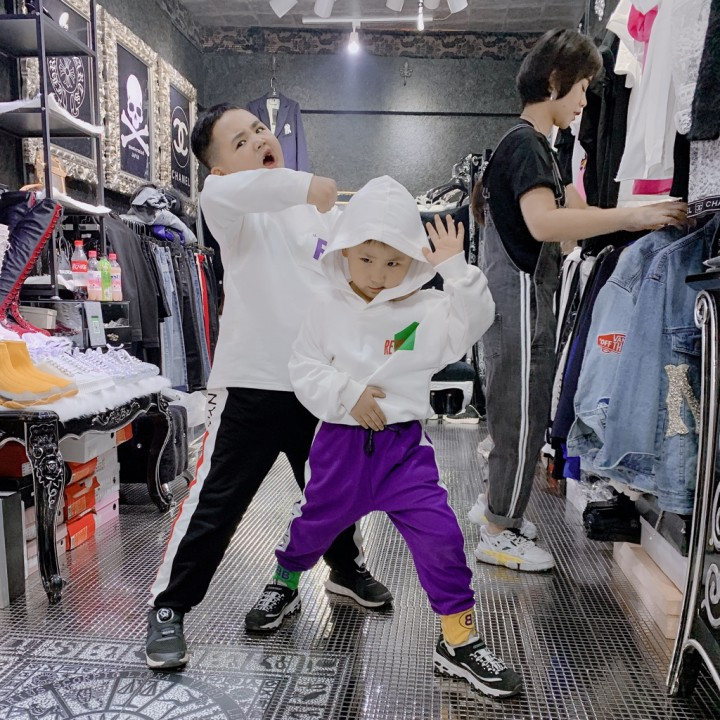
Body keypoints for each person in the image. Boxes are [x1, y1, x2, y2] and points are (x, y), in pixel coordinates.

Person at [244, 176, 523, 699]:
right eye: (366, 259)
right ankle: (284, 582)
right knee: (312, 526)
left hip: (403, 453)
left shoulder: (427, 308)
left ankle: (458, 640)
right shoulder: (325, 306)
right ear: (345, 252)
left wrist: (455, 269)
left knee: (442, 538)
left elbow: (476, 320)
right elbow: (303, 366)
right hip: (340, 447)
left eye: (394, 262)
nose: (378, 274)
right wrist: (348, 393)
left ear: (412, 260)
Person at [144, 104, 392, 671]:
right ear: (219, 169)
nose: (258, 139)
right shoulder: (225, 203)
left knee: (334, 490)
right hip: (251, 386)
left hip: (316, 383)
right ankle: (169, 606)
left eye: (259, 130)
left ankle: (345, 570)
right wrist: (308, 185)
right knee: (216, 503)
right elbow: (257, 190)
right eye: (240, 141)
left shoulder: (316, 214)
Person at [468, 28, 687, 572]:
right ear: (554, 81)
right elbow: (546, 224)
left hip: (521, 299)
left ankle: (500, 511)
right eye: (583, 87)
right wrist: (633, 216)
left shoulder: (533, 146)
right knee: (520, 417)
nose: (586, 101)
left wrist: (638, 212)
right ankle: (497, 529)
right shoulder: (526, 145)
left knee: (519, 412)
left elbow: (575, 211)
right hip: (518, 300)